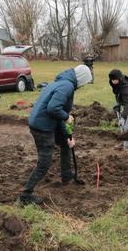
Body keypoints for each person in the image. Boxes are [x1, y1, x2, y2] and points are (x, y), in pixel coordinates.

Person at [19, 65, 93, 205]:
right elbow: (53, 109)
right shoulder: (67, 87)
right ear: (81, 80)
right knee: (44, 163)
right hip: (42, 128)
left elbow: (57, 115)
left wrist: (68, 136)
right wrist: (67, 117)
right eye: (85, 83)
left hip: (45, 123)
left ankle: (67, 176)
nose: (83, 86)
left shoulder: (61, 83)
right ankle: (25, 195)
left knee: (65, 144)